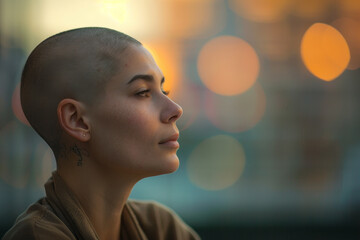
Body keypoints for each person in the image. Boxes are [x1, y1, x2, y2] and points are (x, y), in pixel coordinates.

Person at [3, 27, 200, 240]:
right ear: (77, 120)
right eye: (143, 92)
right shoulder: (37, 236)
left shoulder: (160, 227)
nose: (175, 110)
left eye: (164, 91)